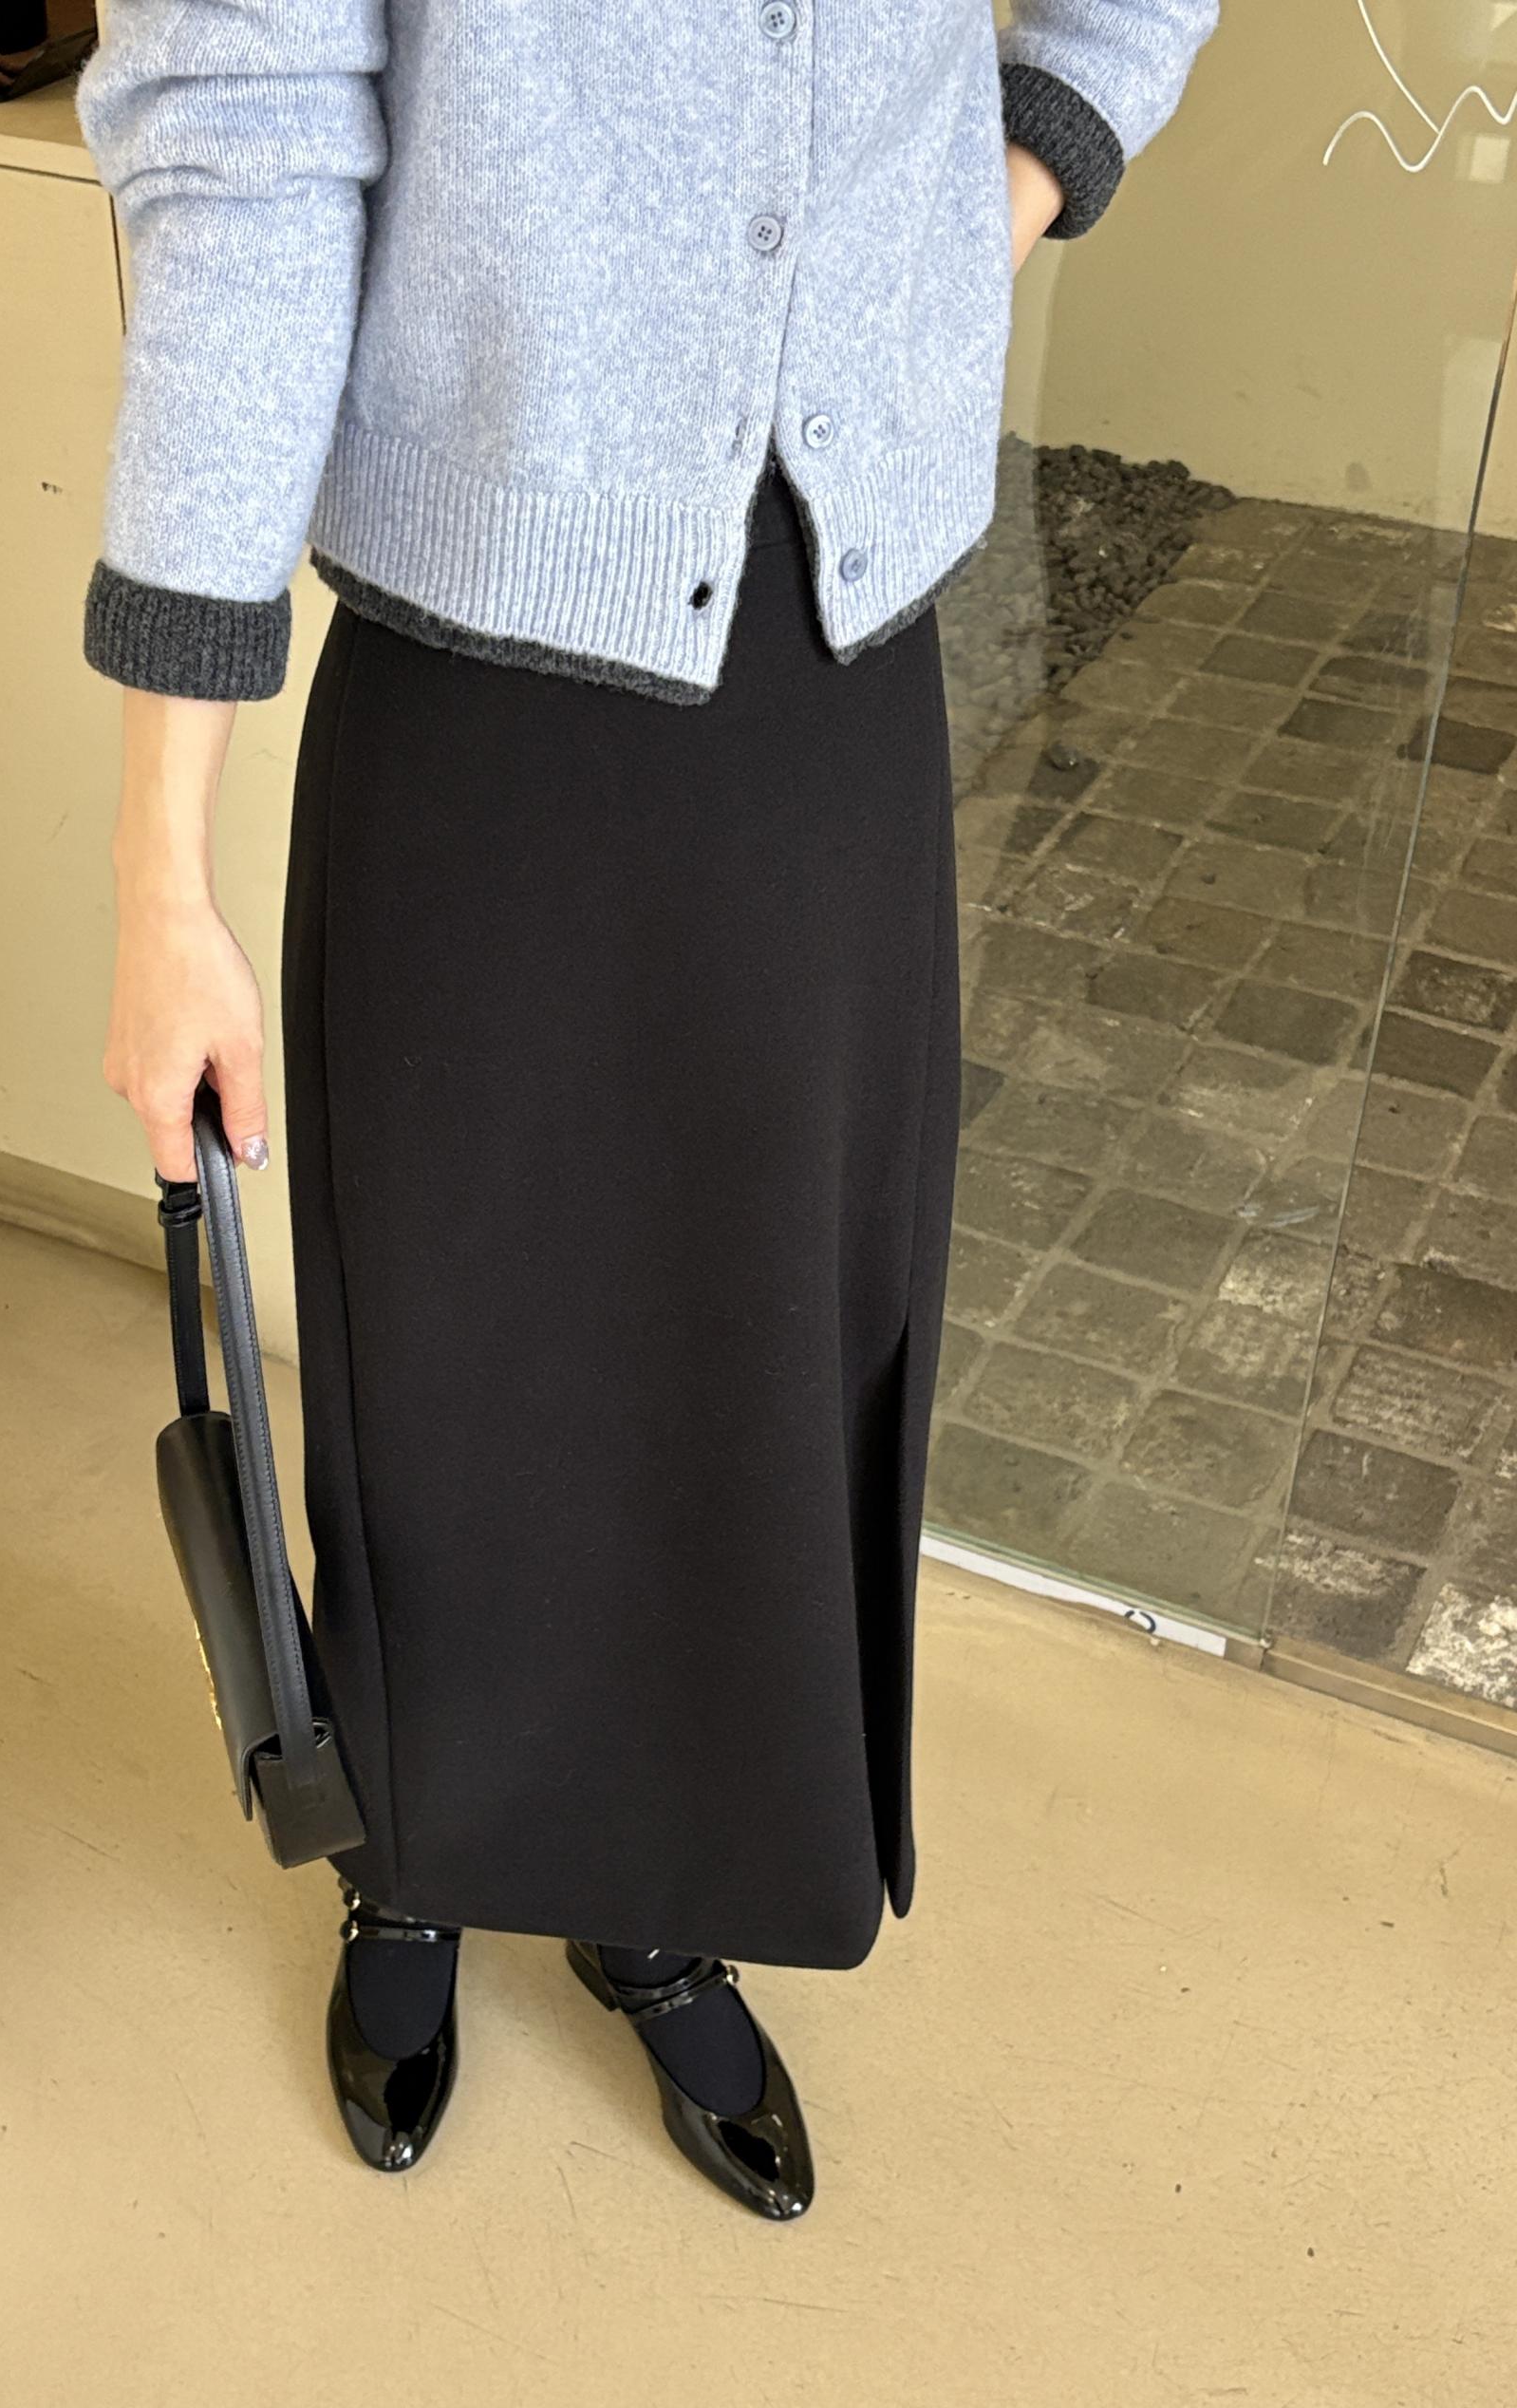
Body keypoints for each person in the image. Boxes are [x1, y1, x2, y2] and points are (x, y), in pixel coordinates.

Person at [77, 0, 1220, 2221]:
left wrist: (1000, 185)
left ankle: (665, 1891)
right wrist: (160, 868)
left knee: (755, 1351)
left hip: (825, 676)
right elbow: (248, 141)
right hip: (475, 669)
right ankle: (414, 1856)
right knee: (450, 1363)